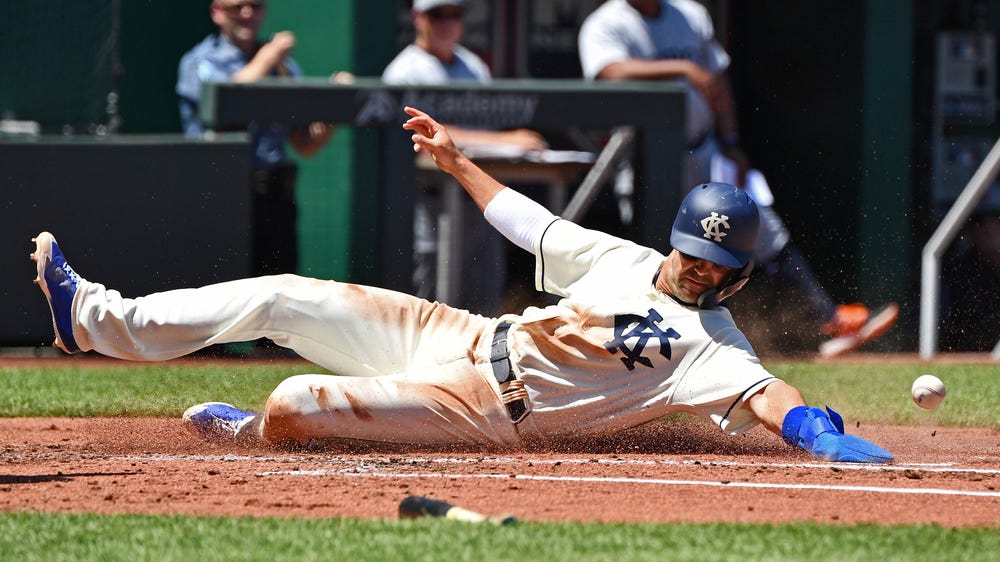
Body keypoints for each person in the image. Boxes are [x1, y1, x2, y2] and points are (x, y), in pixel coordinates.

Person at [30, 107, 892, 464]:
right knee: (288, 295)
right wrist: (458, 161)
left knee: (294, 399)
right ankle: (96, 318)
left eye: (711, 265)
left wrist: (820, 434)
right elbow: (529, 224)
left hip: (481, 410)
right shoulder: (628, 259)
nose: (690, 268)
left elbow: (771, 394)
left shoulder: (712, 347)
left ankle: (256, 430)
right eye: (687, 252)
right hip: (461, 333)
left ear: (739, 278)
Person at [577, 0, 898, 358]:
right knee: (657, 252)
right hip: (647, 158)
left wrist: (730, 142)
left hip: (704, 149)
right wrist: (683, 67)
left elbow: (717, 83)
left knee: (762, 228)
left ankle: (829, 320)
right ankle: (639, 344)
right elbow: (608, 71)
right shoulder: (606, 23)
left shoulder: (689, 14)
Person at [382, 0, 548, 314]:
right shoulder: (405, 70)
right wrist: (507, 140)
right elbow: (424, 134)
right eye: (437, 15)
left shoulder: (472, 65)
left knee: (482, 303)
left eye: (454, 15)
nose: (447, 22)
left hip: (477, 199)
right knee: (430, 302)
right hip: (431, 202)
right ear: (418, 18)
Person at [176, 0, 341, 276]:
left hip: (275, 198)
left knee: (279, 299)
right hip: (221, 196)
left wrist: (335, 109)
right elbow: (224, 104)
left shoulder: (281, 64)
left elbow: (304, 143)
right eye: (236, 7)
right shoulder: (199, 62)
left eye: (255, 6)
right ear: (216, 12)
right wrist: (268, 58)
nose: (247, 14)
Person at [940, 209, 1000, 352]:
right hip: (967, 356)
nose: (990, 228)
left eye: (998, 219)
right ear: (971, 230)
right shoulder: (956, 273)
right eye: (980, 222)